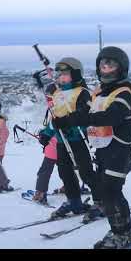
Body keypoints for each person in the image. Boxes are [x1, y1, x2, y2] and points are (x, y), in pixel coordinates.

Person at [54, 46, 131, 248]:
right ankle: (118, 230)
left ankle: (123, 233)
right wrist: (66, 119)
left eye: (111, 64)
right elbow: (85, 110)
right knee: (107, 191)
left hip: (118, 151)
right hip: (103, 150)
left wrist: (76, 120)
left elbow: (111, 116)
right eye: (103, 64)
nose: (106, 68)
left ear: (121, 68)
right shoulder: (99, 92)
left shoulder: (123, 93)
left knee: (111, 191)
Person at [38, 57, 99, 218]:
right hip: (61, 141)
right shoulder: (57, 94)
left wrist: (70, 125)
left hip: (77, 139)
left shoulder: (83, 93)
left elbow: (85, 116)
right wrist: (47, 133)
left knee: (86, 172)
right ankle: (74, 200)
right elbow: (55, 117)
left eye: (66, 74)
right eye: (59, 74)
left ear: (76, 74)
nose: (61, 77)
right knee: (65, 172)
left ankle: (102, 201)